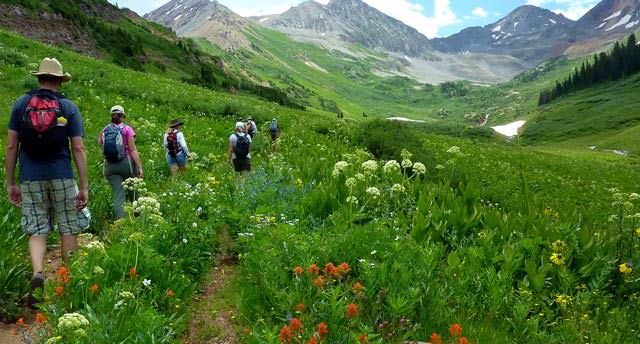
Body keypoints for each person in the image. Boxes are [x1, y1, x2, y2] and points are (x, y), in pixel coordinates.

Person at [5, 57, 88, 307]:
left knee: (37, 229)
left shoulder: (21, 104)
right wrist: (84, 186)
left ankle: (38, 272)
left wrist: (10, 182)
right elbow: (79, 147)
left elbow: (11, 145)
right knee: (68, 226)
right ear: (60, 80)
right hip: (62, 173)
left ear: (39, 77)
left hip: (30, 177)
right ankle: (70, 280)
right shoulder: (68, 107)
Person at [99, 105, 143, 219]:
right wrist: (139, 167)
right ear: (123, 116)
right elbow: (132, 149)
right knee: (134, 191)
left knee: (118, 195)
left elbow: (101, 144)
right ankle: (139, 218)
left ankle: (121, 225)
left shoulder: (105, 130)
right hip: (126, 164)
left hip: (109, 166)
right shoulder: (127, 129)